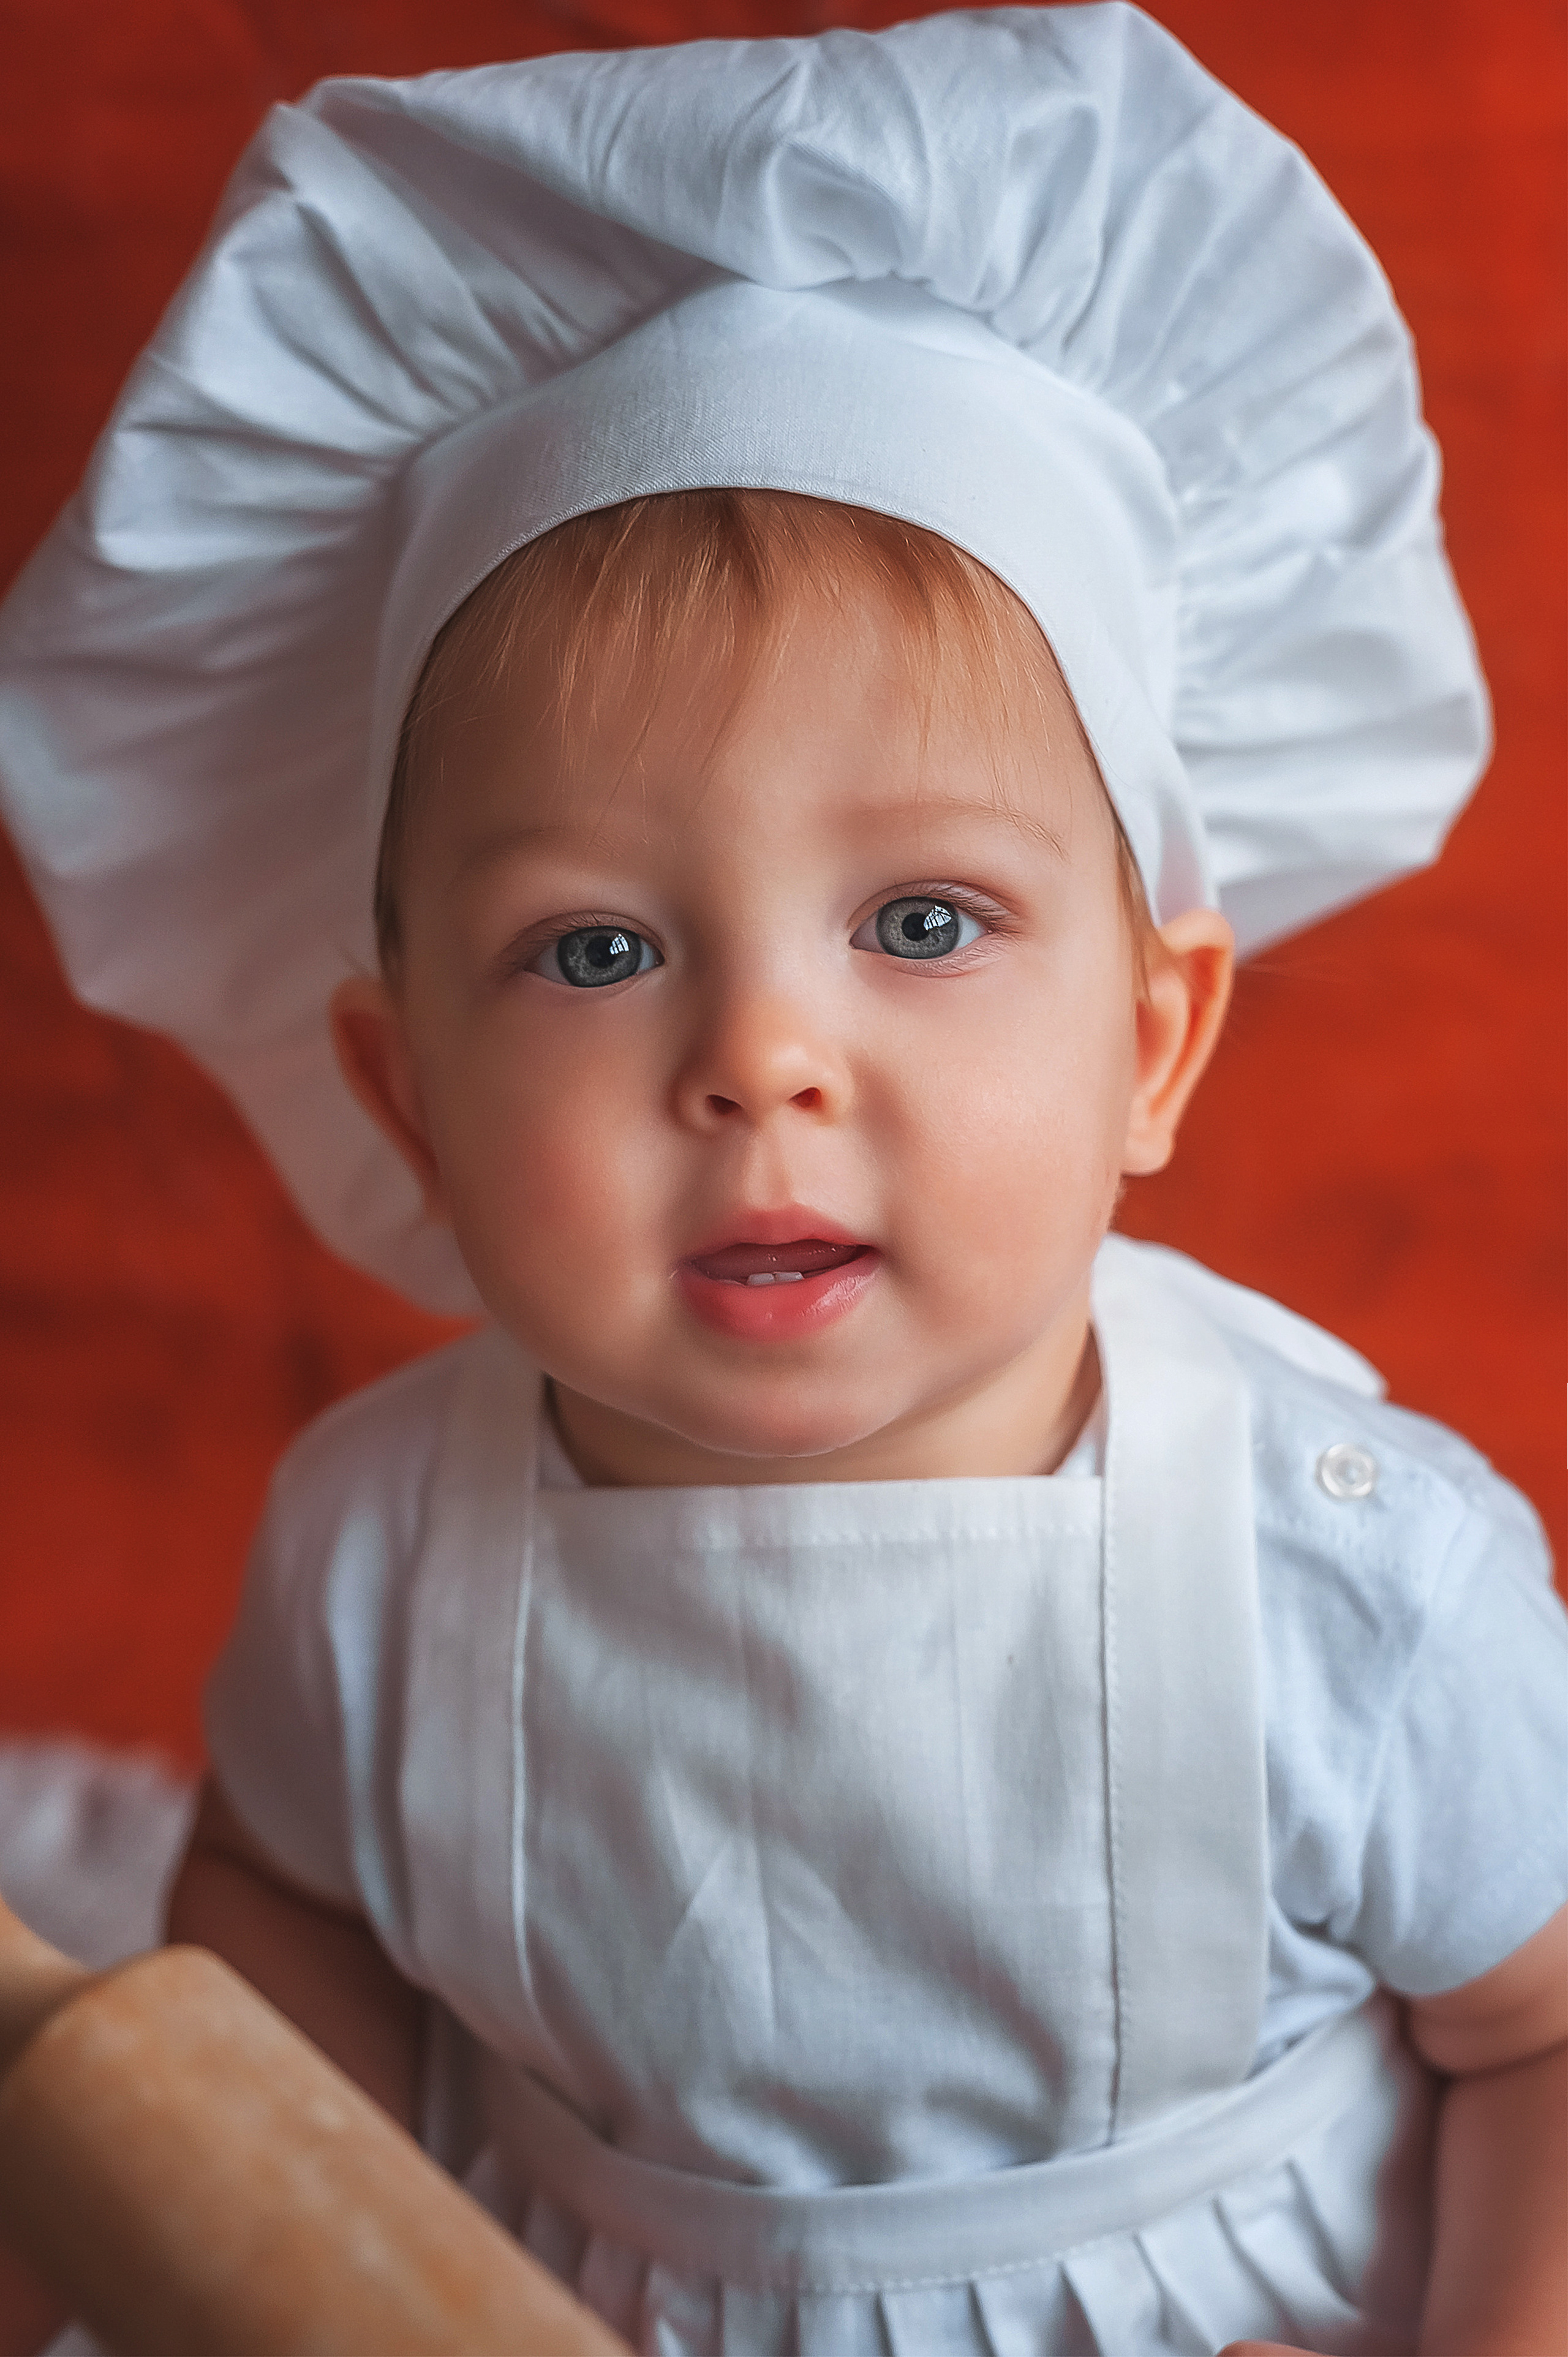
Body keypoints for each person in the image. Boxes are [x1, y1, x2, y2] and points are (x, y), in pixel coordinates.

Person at [0, 9, 1563, 2353]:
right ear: (407, 1096)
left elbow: (1544, 2033)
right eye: (595, 951)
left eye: (922, 922)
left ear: (1152, 1041)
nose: (759, 1062)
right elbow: (293, 1932)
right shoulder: (373, 1554)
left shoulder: (1349, 1588)